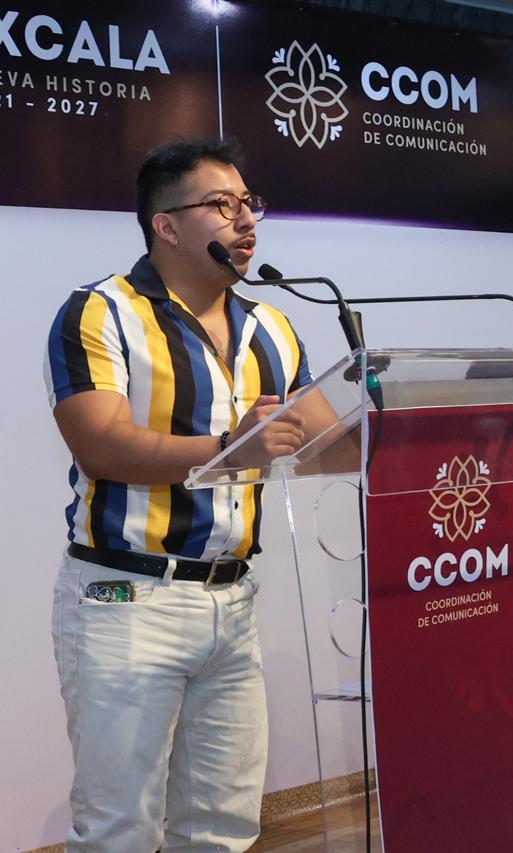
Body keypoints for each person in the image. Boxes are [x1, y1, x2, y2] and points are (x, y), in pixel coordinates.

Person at [44, 137, 334, 852]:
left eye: (249, 202)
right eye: (222, 204)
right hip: (124, 596)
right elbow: (100, 445)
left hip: (233, 601)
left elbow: (326, 439)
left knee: (222, 827)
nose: (247, 220)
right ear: (166, 225)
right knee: (119, 830)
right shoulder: (100, 312)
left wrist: (436, 429)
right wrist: (231, 448)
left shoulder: (272, 327)